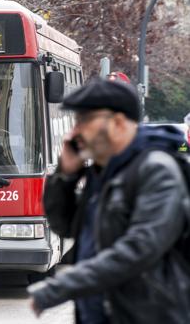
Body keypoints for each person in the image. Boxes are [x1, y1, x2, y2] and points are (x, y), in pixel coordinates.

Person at [28, 79, 190, 323]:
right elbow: (65, 226)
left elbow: (140, 248)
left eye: (84, 120)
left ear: (117, 122)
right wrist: (65, 176)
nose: (74, 132)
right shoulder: (105, 172)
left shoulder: (157, 170)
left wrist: (59, 288)